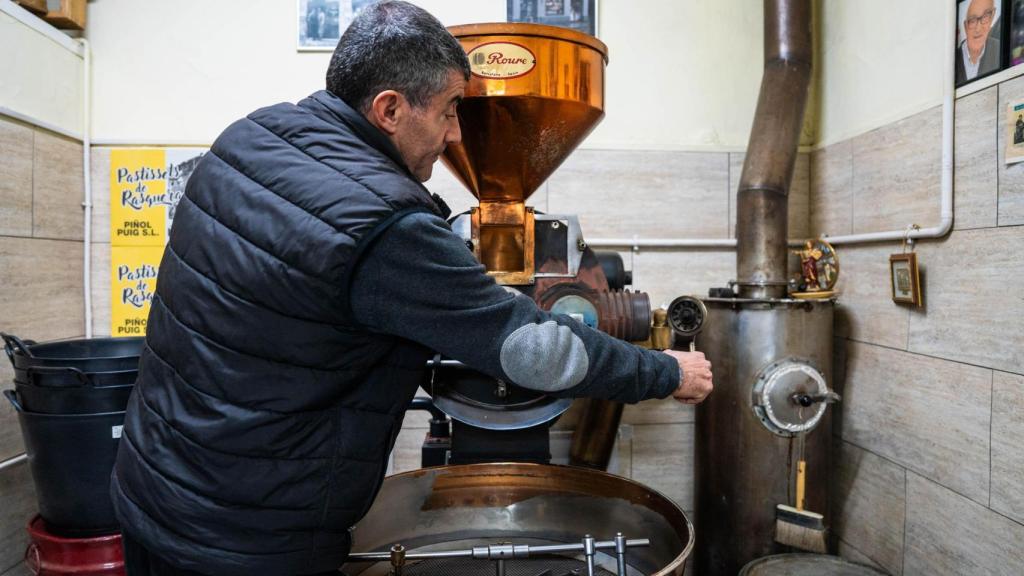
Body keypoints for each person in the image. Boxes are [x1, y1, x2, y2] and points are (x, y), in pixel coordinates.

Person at [109, 2, 713, 575]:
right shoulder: (382, 224)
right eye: (451, 108)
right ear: (390, 109)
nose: (457, 133)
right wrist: (664, 371)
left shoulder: (248, 140)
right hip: (249, 538)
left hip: (151, 490)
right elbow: (531, 349)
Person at [956, 0, 1001, 85]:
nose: (978, 29)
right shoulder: (954, 60)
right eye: (972, 21)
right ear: (965, 26)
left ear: (992, 18)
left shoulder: (999, 49)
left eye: (985, 17)